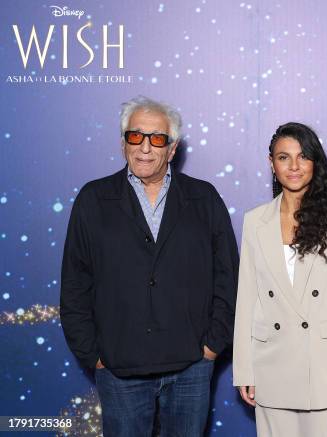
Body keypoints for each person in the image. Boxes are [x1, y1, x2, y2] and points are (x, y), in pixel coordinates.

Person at [60, 95, 239, 436]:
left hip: (191, 367)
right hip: (118, 369)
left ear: (172, 149)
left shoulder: (204, 198)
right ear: (123, 142)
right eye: (135, 136)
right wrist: (94, 355)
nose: (145, 147)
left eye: (157, 139)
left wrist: (212, 346)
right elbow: (74, 284)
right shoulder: (93, 200)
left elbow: (228, 278)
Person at [233, 122, 327, 437]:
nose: (294, 166)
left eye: (303, 156)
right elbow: (246, 299)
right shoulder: (255, 221)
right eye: (283, 157)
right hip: (272, 365)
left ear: (315, 162)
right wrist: (244, 369)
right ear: (271, 163)